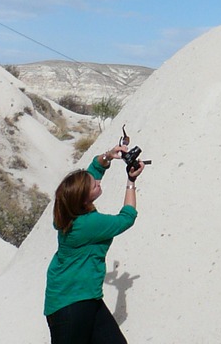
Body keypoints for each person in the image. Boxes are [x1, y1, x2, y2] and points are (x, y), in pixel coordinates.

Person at [44, 143, 146, 343]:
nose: (98, 183)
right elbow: (127, 217)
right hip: (69, 306)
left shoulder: (67, 211)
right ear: (84, 200)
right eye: (94, 185)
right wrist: (131, 180)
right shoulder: (89, 224)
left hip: (86, 297)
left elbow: (93, 171)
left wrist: (108, 156)